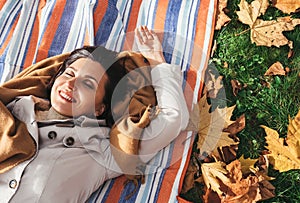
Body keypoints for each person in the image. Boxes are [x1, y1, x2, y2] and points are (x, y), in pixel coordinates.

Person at [0, 26, 189, 202]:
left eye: (88, 84)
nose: (70, 84)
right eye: (69, 73)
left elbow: (173, 119)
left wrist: (157, 63)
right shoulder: (15, 109)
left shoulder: (103, 148)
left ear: (100, 108)